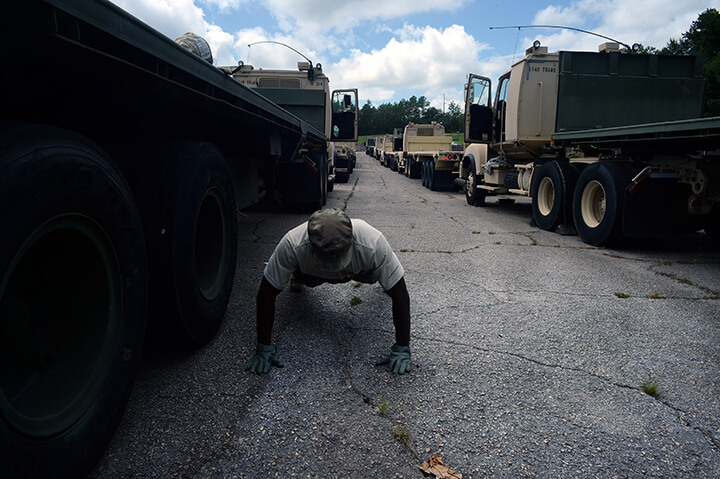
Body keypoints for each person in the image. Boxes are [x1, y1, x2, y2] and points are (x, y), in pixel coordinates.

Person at [245, 208, 411, 375]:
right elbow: (267, 292)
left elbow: (401, 293)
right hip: (311, 274)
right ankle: (297, 278)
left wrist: (402, 347)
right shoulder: (292, 244)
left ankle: (384, 279)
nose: (334, 267)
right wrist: (263, 346)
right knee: (296, 273)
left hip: (359, 271)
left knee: (389, 283)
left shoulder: (373, 242)